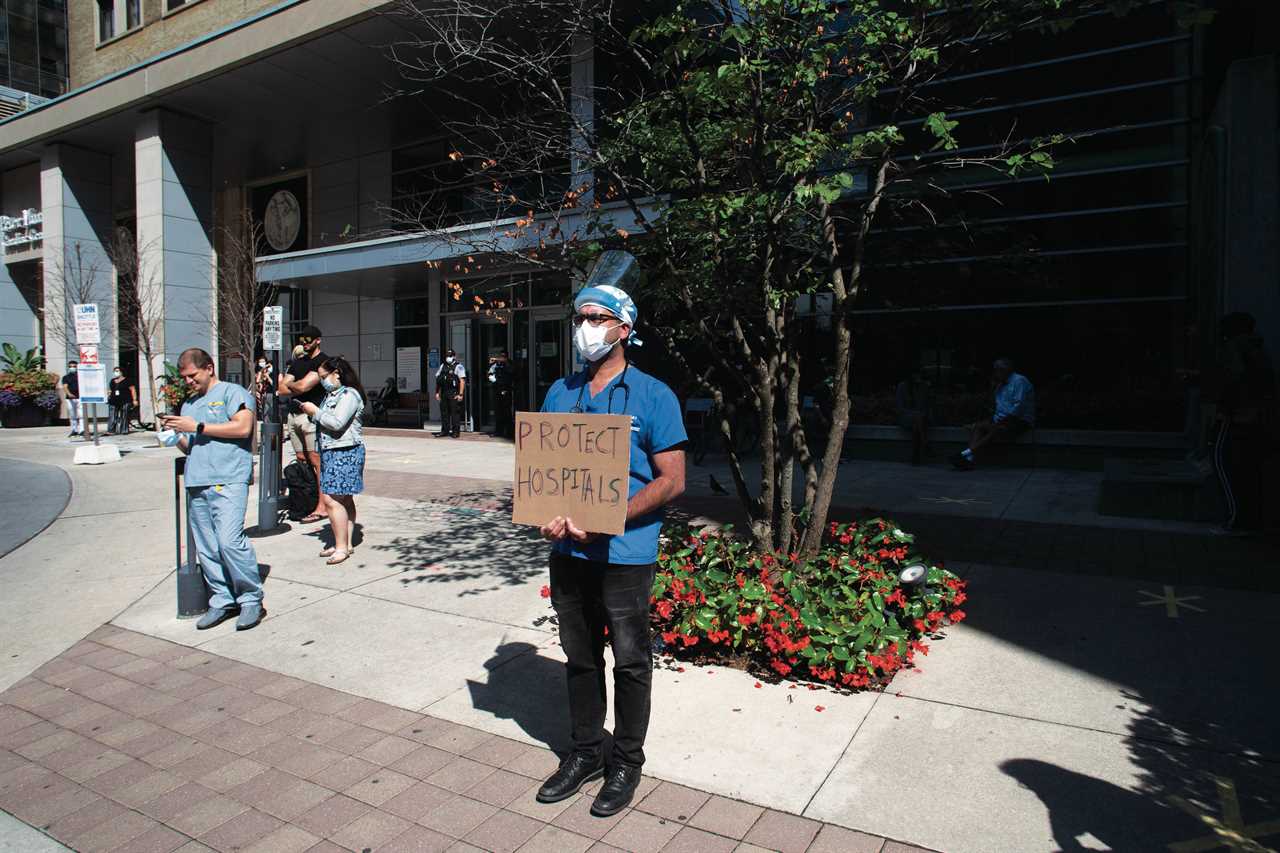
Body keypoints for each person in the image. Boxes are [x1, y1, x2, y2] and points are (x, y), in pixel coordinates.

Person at [535, 283, 687, 817]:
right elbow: (545, 473)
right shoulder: (560, 392)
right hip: (569, 556)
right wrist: (542, 516)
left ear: (624, 328)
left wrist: (611, 517)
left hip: (625, 555)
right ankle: (585, 752)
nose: (585, 327)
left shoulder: (654, 395)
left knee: (629, 661)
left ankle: (625, 760)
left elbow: (673, 480)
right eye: (579, 317)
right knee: (579, 658)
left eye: (597, 317)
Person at [158, 348, 264, 631]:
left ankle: (251, 597)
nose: (189, 382)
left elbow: (243, 429)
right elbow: (189, 443)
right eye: (185, 378)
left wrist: (198, 426)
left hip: (228, 477)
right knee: (207, 546)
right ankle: (222, 598)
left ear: (209, 368)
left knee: (229, 540)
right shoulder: (189, 404)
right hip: (197, 479)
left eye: (193, 375)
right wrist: (176, 435)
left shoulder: (234, 393)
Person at [1209, 312, 1275, 535]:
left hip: (1236, 416)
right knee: (1249, 471)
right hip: (1256, 418)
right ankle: (1251, 520)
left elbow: (1234, 379)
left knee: (1222, 463)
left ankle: (1236, 520)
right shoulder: (1258, 349)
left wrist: (1226, 410)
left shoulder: (1234, 349)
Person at [299, 356, 366, 565]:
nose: (322, 381)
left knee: (332, 500)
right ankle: (345, 542)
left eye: (324, 376)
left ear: (337, 373)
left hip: (345, 450)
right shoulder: (331, 395)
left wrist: (315, 412)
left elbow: (337, 423)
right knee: (343, 499)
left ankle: (341, 547)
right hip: (332, 450)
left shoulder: (349, 395)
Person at [278, 327, 328, 522]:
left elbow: (302, 386)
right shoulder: (297, 362)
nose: (305, 342)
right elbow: (281, 389)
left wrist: (292, 384)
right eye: (302, 339)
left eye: (309, 339)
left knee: (316, 461)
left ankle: (322, 506)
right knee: (302, 459)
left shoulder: (322, 362)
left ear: (318, 340)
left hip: (311, 416)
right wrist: (294, 386)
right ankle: (308, 500)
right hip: (293, 415)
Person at [952, 358, 1035, 470]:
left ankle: (964, 454)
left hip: (1019, 420)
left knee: (996, 429)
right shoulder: (1000, 385)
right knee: (979, 427)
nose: (996, 373)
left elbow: (1018, 407)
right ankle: (968, 460)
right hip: (1001, 418)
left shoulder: (1019, 381)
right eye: (995, 370)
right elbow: (995, 406)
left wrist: (1000, 421)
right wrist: (993, 388)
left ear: (1007, 370)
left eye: (999, 370)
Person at [895, 371, 933, 465]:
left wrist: (922, 414)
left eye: (919, 375)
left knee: (917, 423)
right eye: (915, 374)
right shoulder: (902, 387)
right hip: (906, 417)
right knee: (917, 419)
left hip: (921, 418)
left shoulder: (924, 387)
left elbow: (928, 406)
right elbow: (900, 408)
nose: (917, 377)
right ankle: (925, 444)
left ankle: (916, 456)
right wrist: (915, 413)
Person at [434, 349, 466, 438]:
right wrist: (437, 392)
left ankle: (456, 432)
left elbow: (462, 381)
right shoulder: (442, 366)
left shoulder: (459, 366)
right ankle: (445, 431)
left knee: (454, 413)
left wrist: (460, 394)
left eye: (450, 356)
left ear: (454, 356)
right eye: (447, 356)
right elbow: (438, 379)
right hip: (444, 392)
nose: (448, 358)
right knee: (444, 413)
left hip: (454, 392)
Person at [488, 350, 514, 439]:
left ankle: (509, 432)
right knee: (498, 412)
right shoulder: (496, 365)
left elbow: (511, 372)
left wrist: (504, 362)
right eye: (500, 356)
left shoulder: (509, 364)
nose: (501, 358)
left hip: (506, 390)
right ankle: (499, 431)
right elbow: (490, 373)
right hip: (497, 389)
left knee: (507, 412)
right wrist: (492, 378)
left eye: (503, 356)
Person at [107, 368, 137, 435]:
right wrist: (108, 396)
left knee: (124, 415)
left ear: (121, 372)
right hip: (113, 400)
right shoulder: (112, 381)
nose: (115, 372)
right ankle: (111, 430)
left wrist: (134, 400)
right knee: (112, 415)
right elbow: (110, 390)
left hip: (125, 400)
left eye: (117, 371)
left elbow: (133, 390)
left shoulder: (127, 380)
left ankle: (124, 430)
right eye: (114, 371)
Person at [60, 361, 81, 438]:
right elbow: (65, 386)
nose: (72, 368)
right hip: (70, 398)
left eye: (74, 366)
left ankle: (82, 430)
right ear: (68, 367)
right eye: (70, 366)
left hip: (80, 397)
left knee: (81, 415)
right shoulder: (66, 377)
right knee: (72, 415)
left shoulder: (80, 376)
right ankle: (74, 430)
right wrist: (69, 394)